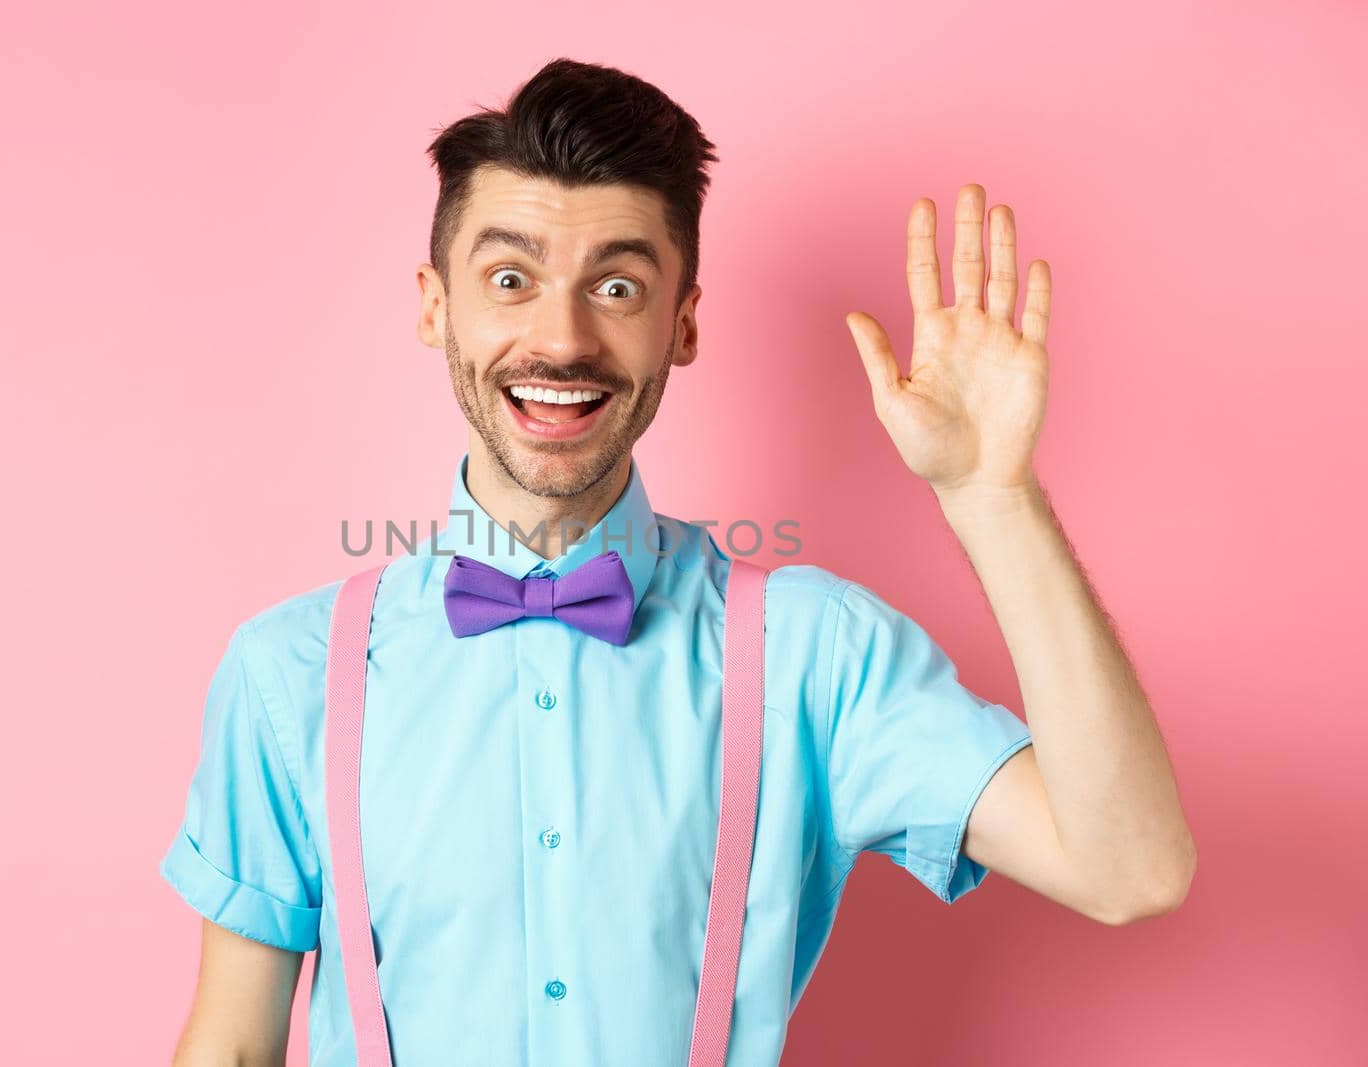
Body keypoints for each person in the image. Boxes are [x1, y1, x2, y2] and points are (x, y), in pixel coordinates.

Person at [159, 57, 1196, 1067]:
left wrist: (991, 495)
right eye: (510, 278)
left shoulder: (812, 653)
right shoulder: (289, 670)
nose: (559, 338)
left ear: (681, 322)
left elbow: (1128, 868)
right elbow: (235, 1042)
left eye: (615, 284)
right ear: (436, 305)